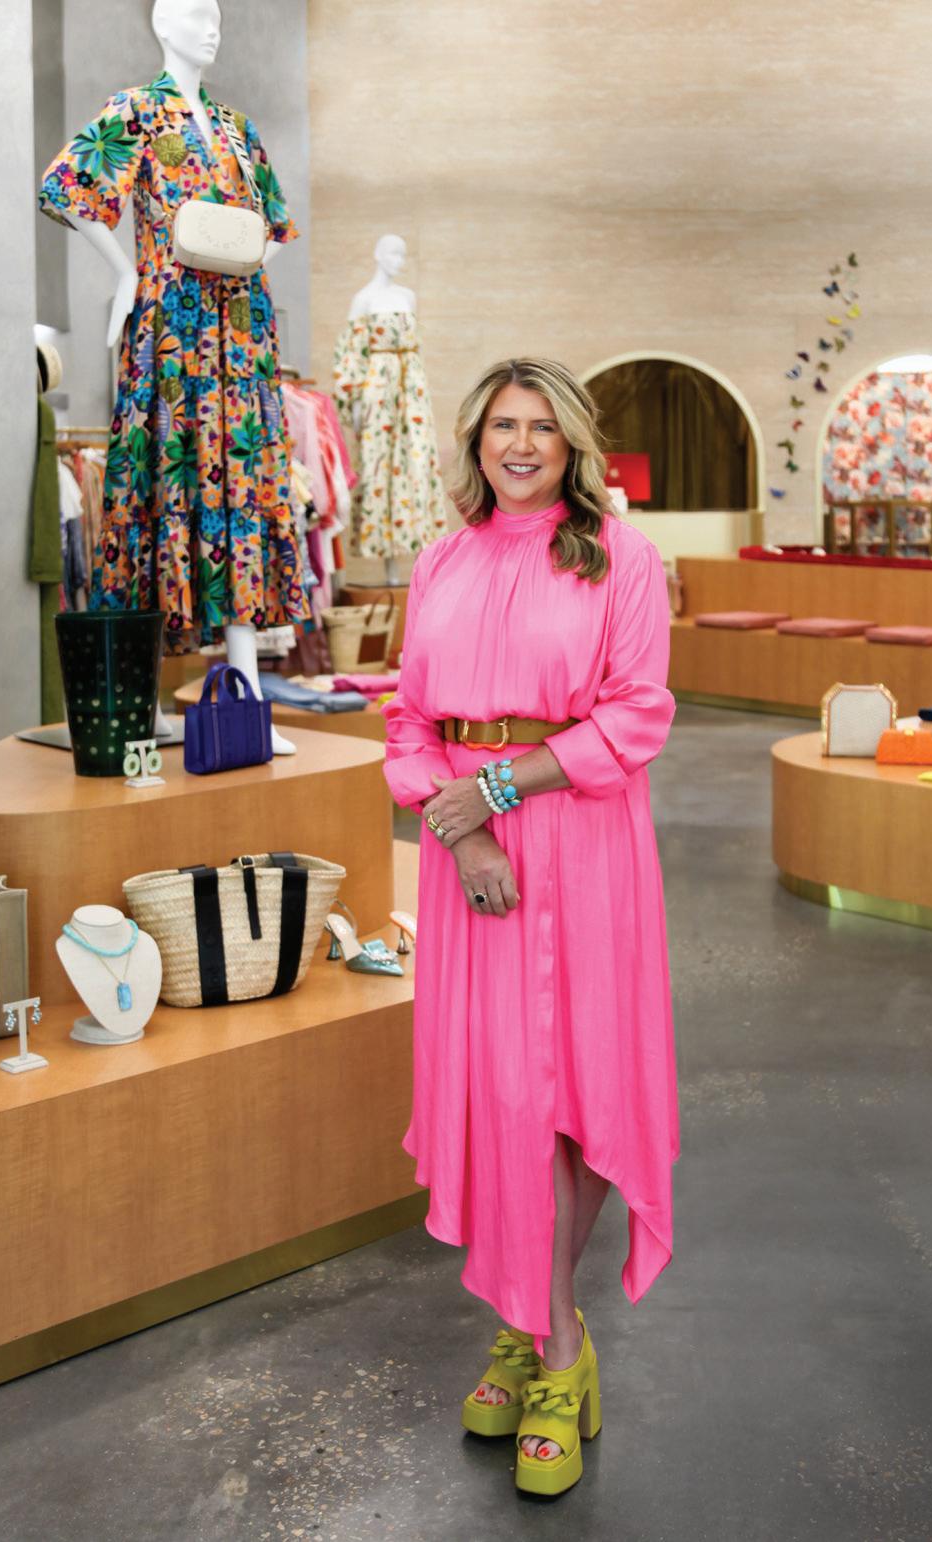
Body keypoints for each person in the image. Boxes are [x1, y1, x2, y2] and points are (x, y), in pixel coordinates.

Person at [381, 357, 679, 1497]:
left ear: (572, 447)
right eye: (502, 425)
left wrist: (500, 789)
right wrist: (462, 832)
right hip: (470, 850)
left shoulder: (620, 559)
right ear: (476, 440)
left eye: (541, 428)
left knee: (577, 1089)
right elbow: (410, 721)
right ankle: (544, 1329)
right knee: (503, 1089)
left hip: (582, 837)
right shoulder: (442, 560)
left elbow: (638, 713)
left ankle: (546, 1342)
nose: (519, 445)